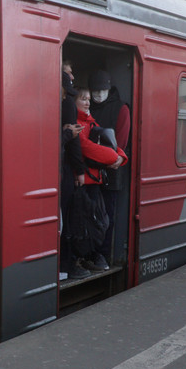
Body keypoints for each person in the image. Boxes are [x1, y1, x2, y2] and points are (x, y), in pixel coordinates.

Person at [74, 87, 128, 272]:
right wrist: (114, 158)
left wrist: (121, 157)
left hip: (94, 181)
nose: (88, 102)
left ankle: (91, 257)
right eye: (83, 98)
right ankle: (79, 259)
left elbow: (108, 140)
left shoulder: (90, 121)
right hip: (83, 182)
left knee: (97, 223)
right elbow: (86, 147)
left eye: (89, 98)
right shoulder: (76, 122)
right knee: (83, 225)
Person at [89, 70, 131, 269]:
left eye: (102, 90)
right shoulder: (87, 106)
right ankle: (88, 253)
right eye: (94, 91)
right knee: (89, 214)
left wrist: (107, 158)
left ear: (109, 89)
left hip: (111, 172)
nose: (98, 95)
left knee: (106, 216)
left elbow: (121, 142)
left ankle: (102, 255)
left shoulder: (121, 109)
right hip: (91, 171)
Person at [60, 68, 89, 280]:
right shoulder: (68, 103)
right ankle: (66, 265)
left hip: (64, 169)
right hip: (65, 171)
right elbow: (75, 144)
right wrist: (80, 171)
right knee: (67, 219)